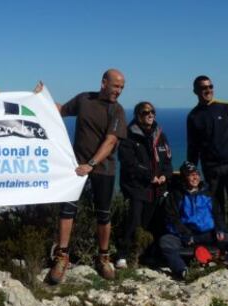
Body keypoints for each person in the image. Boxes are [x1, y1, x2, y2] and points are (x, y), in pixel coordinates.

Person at [48, 69, 127, 283]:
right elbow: (60, 110)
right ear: (104, 83)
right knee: (67, 210)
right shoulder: (84, 99)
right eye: (115, 86)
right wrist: (39, 98)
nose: (118, 91)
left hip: (103, 168)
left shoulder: (118, 110)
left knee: (103, 214)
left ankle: (103, 258)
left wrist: (91, 164)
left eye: (121, 87)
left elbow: (111, 141)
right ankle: (62, 257)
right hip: (76, 168)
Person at [187, 75, 228, 241]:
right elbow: (192, 146)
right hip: (211, 167)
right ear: (195, 91)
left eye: (210, 87)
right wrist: (190, 169)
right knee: (217, 207)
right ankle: (223, 241)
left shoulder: (225, 107)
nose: (208, 90)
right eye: (203, 88)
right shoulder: (193, 116)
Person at [159, 161, 228, 279]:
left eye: (197, 174)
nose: (195, 177)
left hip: (209, 235)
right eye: (191, 175)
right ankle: (181, 270)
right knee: (165, 241)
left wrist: (220, 229)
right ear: (184, 177)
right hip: (186, 237)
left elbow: (218, 214)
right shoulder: (175, 196)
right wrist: (185, 234)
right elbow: (171, 219)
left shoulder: (208, 193)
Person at [117, 101, 173, 268]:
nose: (150, 115)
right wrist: (150, 176)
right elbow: (128, 163)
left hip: (156, 188)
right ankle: (122, 255)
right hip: (136, 187)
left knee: (150, 223)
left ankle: (144, 254)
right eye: (145, 112)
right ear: (137, 115)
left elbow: (167, 160)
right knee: (134, 221)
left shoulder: (160, 135)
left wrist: (165, 175)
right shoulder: (129, 135)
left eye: (152, 112)